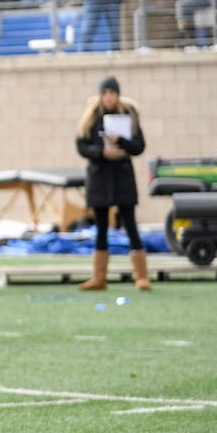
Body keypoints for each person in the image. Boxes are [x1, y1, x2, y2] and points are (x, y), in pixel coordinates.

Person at [75, 75, 150, 292]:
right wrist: (102, 152)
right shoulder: (90, 118)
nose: (109, 97)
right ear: (101, 95)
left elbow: (139, 146)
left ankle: (142, 277)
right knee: (101, 228)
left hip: (123, 178)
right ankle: (99, 278)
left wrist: (121, 142)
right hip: (99, 178)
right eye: (105, 93)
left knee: (130, 225)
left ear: (117, 94)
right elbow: (81, 146)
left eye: (112, 93)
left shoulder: (129, 115)